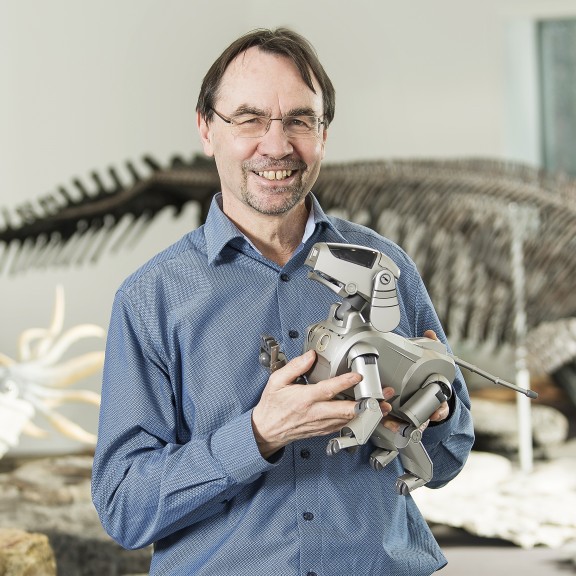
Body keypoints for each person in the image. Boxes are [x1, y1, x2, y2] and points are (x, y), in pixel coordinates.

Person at [91, 27, 474, 576]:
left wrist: (434, 413)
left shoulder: (386, 268)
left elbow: (446, 460)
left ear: (324, 133)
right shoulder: (152, 299)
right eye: (249, 119)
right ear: (206, 130)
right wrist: (258, 435)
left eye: (299, 120)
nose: (277, 146)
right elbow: (124, 508)